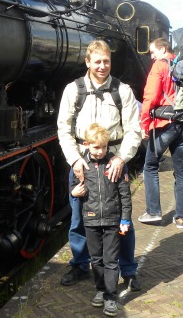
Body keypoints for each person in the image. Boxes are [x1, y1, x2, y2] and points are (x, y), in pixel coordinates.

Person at [57, 39, 142, 291]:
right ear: (88, 62)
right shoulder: (73, 90)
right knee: (79, 218)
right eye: (97, 61)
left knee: (122, 218)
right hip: (83, 162)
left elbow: (134, 131)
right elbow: (63, 129)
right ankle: (81, 264)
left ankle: (127, 268)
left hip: (114, 162)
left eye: (106, 61)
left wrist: (121, 158)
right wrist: (74, 159)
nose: (102, 66)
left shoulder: (123, 91)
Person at [70, 123, 131, 317]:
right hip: (91, 220)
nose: (100, 151)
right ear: (86, 144)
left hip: (112, 220)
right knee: (96, 259)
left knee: (111, 260)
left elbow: (125, 194)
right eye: (96, 147)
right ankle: (100, 289)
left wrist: (125, 219)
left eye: (104, 147)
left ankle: (111, 296)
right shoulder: (81, 166)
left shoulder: (115, 164)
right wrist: (74, 192)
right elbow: (73, 187)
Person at [139, 38, 183, 229]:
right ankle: (180, 217)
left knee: (150, 166)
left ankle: (153, 211)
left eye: (153, 52)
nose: (152, 57)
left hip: (165, 124)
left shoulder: (159, 67)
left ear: (162, 49)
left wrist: (144, 124)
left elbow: (150, 97)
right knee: (181, 172)